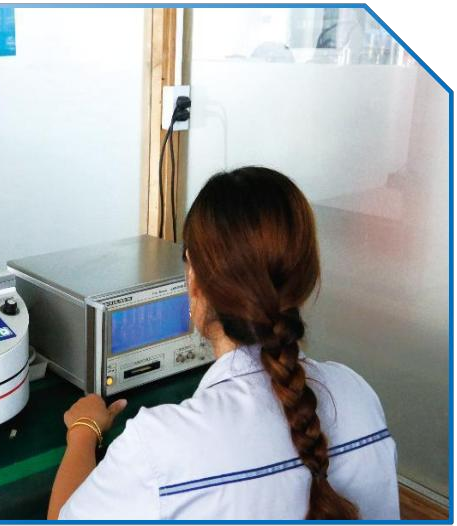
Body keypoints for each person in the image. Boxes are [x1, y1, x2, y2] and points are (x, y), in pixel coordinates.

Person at [47, 167, 399, 520]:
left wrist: (83, 431)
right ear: (307, 279)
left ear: (194, 279)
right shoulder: (359, 396)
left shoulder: (157, 447)